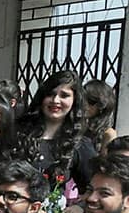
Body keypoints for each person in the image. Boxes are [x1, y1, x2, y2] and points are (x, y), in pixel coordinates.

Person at [14, 70, 96, 202]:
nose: (55, 100)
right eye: (50, 94)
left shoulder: (80, 144)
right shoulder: (19, 132)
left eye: (64, 95)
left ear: (74, 100)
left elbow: (94, 185)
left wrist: (79, 207)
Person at [82, 79, 118, 153]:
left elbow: (104, 161)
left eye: (91, 101)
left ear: (101, 105)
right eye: (82, 99)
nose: (85, 105)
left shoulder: (108, 134)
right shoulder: (79, 126)